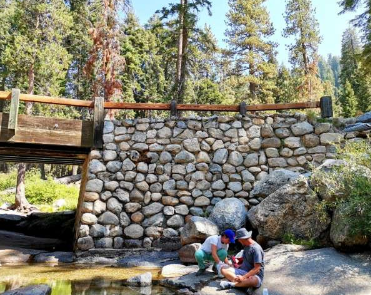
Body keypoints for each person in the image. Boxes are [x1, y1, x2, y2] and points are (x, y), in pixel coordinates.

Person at [219, 228, 264, 292]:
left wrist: (243, 277)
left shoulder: (256, 249)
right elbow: (244, 260)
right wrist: (236, 264)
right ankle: (243, 285)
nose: (239, 241)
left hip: (255, 275)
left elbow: (257, 269)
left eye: (239, 240)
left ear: (242, 239)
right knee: (223, 269)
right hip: (243, 271)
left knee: (253, 280)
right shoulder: (246, 246)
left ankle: (232, 284)